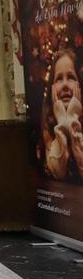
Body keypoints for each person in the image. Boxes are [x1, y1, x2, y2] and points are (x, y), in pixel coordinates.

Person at [42, 49, 83, 182]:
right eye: (59, 78)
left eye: (71, 77)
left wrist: (73, 119)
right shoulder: (48, 128)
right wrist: (63, 123)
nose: (65, 84)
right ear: (52, 88)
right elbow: (58, 172)